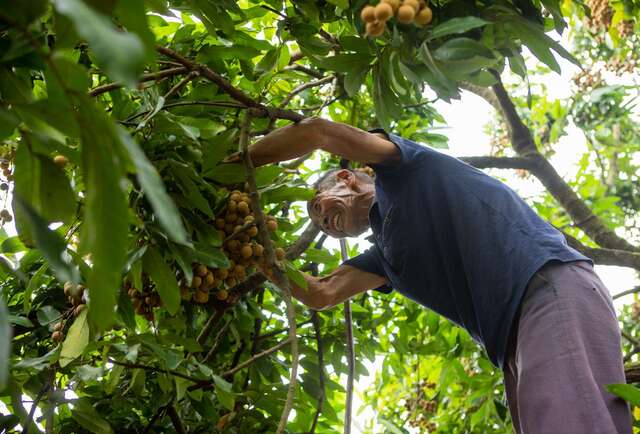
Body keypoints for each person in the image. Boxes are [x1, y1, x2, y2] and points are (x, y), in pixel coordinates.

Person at [235, 117, 632, 433]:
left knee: (569, 421)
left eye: (319, 206)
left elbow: (318, 132)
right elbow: (321, 294)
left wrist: (237, 167)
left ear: (347, 178)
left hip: (545, 288)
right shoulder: (385, 256)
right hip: (512, 343)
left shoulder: (404, 169)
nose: (324, 222)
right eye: (320, 225)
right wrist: (256, 252)